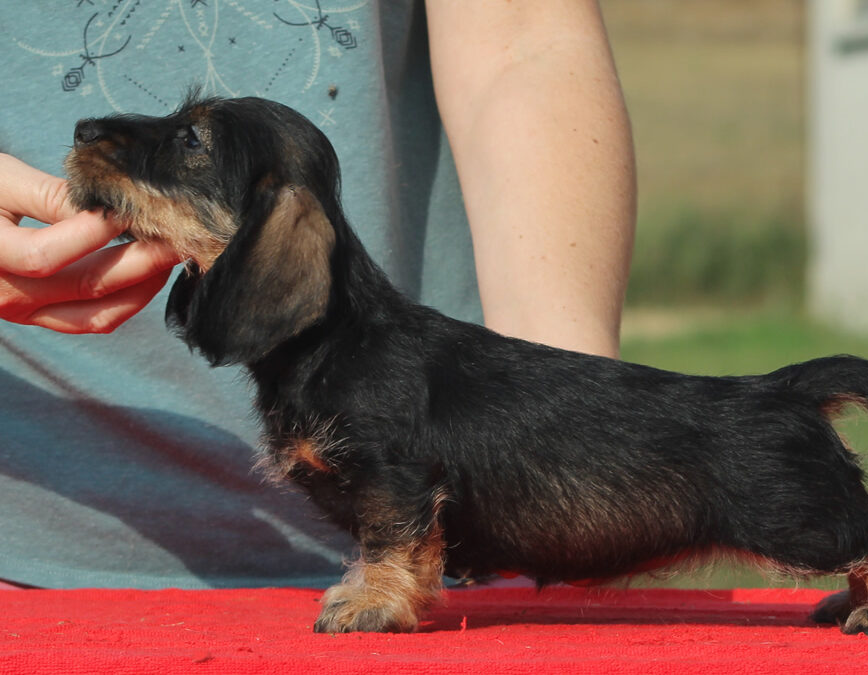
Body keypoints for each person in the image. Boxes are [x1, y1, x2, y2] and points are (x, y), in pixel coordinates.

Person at [0, 1, 635, 589]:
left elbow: (523, 42)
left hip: (448, 537)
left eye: (190, 141)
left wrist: (561, 427)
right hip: (26, 539)